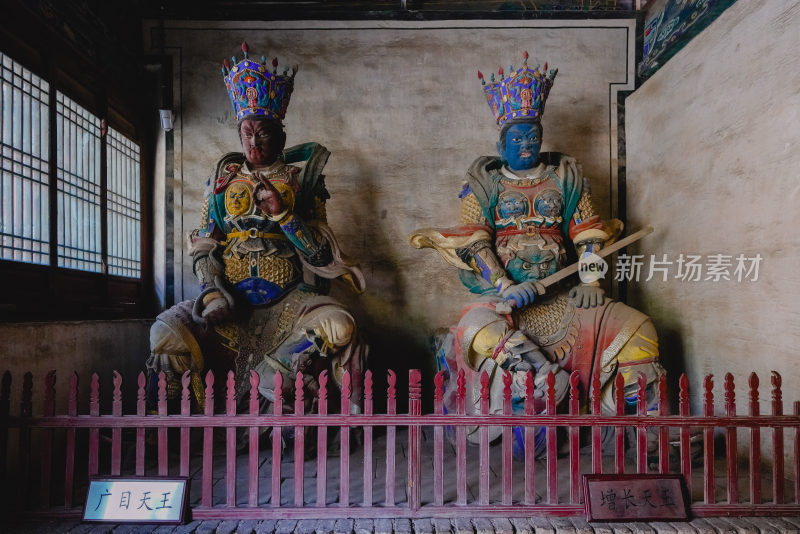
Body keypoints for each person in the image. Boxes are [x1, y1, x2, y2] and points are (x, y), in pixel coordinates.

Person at [411, 52, 663, 454]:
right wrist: (505, 284)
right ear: (501, 143)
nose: (527, 144)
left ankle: (652, 428)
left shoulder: (565, 176)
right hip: (503, 299)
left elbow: (588, 233)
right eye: (517, 139)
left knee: (639, 328)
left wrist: (592, 281)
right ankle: (543, 379)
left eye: (533, 137)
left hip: (565, 294)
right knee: (475, 328)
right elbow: (476, 241)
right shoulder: (483, 183)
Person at [146, 43, 367, 415]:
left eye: (262, 133)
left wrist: (284, 216)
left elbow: (321, 255)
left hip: (290, 304)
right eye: (246, 133)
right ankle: (161, 427)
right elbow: (203, 246)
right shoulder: (222, 181)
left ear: (279, 135)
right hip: (230, 303)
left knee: (340, 325)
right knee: (163, 332)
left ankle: (274, 375)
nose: (253, 141)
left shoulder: (301, 182)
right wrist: (211, 292)